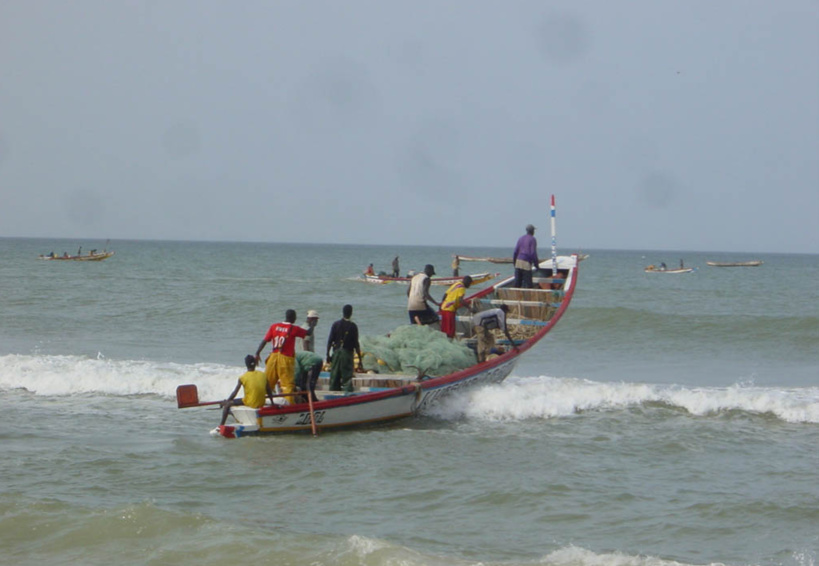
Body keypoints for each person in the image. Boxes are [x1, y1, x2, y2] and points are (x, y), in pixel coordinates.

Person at [255, 309, 312, 405]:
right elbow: (308, 333)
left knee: (268, 383)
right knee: (287, 385)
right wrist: (312, 324)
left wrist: (257, 353)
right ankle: (289, 406)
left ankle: (261, 403)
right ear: (293, 318)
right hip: (285, 359)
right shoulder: (294, 328)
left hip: (272, 358)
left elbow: (264, 340)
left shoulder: (274, 326)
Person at [220, 355, 275, 425]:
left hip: (250, 403)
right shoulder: (263, 375)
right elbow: (269, 391)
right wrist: (272, 403)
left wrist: (227, 401)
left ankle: (221, 425)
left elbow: (234, 393)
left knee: (227, 405)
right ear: (255, 364)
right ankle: (237, 416)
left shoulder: (243, 377)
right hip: (261, 403)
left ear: (246, 365)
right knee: (236, 402)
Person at [326, 304, 363, 392]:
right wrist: (360, 359)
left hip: (336, 354)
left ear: (342, 312)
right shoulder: (353, 326)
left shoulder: (336, 324)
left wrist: (327, 355)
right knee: (347, 376)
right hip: (347, 354)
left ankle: (333, 393)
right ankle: (347, 394)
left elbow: (330, 341)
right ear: (351, 313)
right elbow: (356, 344)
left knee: (334, 376)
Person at [512, 224, 540, 288]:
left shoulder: (521, 238)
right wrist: (536, 265)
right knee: (528, 283)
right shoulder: (532, 239)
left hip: (518, 262)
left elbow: (515, 251)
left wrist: (514, 262)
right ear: (532, 231)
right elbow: (533, 253)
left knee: (517, 283)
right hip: (526, 262)